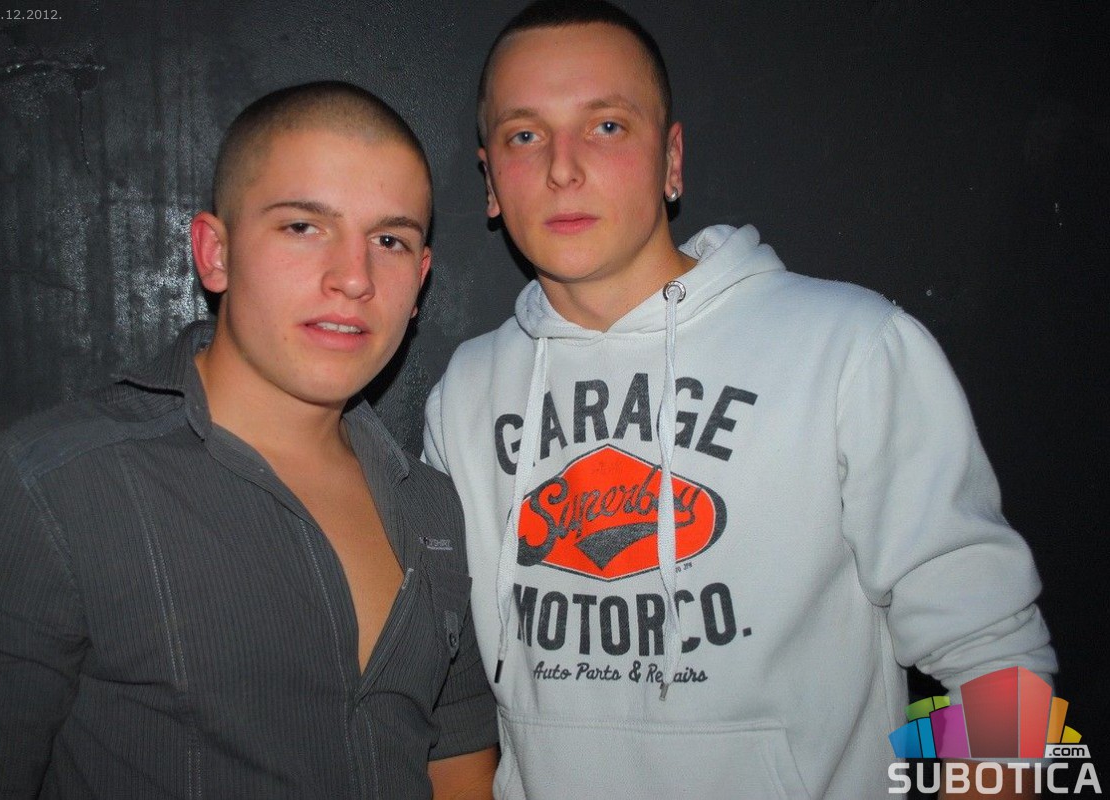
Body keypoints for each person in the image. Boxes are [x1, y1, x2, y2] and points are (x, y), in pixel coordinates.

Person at [422, 2, 1056, 797]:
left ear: (671, 160)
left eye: (607, 126)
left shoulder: (848, 347)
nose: (562, 168)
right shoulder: (465, 394)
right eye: (525, 135)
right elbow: (452, 695)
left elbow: (995, 658)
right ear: (489, 181)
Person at [0, 81, 497, 799]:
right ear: (215, 253)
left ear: (420, 280)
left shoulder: (433, 507)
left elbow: (459, 763)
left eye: (389, 241)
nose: (354, 278)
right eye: (302, 227)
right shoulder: (46, 492)